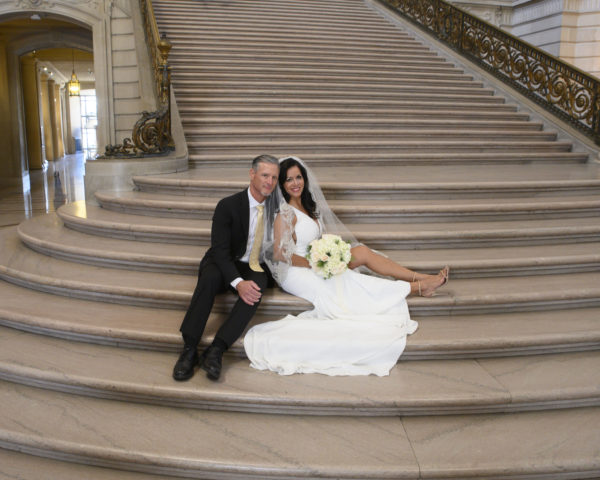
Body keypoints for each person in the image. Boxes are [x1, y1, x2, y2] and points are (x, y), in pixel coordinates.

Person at [243, 156, 449, 377]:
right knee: (348, 279)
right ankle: (418, 287)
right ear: (282, 185)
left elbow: (317, 240)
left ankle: (417, 277)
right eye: (289, 180)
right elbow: (280, 254)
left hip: (315, 261)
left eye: (299, 177)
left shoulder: (308, 207)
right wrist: (315, 264)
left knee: (361, 252)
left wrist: (333, 253)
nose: (295, 183)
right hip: (296, 271)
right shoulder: (285, 213)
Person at [173, 154, 280, 382]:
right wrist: (237, 283)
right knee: (210, 277)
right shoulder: (228, 205)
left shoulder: (277, 208)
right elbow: (220, 252)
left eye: (274, 177)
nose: (269, 181)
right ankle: (189, 348)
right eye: (264, 175)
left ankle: (217, 350)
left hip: (253, 264)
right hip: (223, 261)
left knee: (256, 289)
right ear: (252, 174)